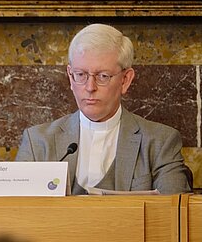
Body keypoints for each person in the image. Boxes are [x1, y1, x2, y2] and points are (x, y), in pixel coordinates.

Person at [16, 23, 191, 195]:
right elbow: (17, 215)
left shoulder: (160, 142)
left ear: (125, 80)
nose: (90, 87)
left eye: (103, 76)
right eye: (81, 75)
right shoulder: (37, 142)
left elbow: (174, 215)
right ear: (70, 77)